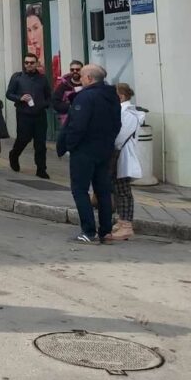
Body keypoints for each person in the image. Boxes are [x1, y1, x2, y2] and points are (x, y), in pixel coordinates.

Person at [57, 64, 121, 245]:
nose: (80, 79)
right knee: (103, 191)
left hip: (84, 150)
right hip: (104, 149)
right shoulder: (111, 96)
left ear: (90, 78)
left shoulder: (85, 97)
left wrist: (70, 145)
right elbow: (117, 124)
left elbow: (77, 125)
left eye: (82, 76)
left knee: (80, 190)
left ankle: (88, 231)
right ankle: (106, 232)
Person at [5, 53, 53, 178]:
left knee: (40, 143)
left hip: (39, 115)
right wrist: (20, 98)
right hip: (24, 114)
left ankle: (41, 169)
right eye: (26, 63)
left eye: (32, 63)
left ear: (36, 64)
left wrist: (44, 104)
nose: (29, 65)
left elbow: (49, 96)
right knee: (23, 139)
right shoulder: (17, 77)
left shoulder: (42, 78)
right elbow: (9, 94)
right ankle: (14, 155)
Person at [111, 83, 144, 241]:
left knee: (123, 191)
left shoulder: (128, 114)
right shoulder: (123, 111)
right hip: (120, 155)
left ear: (121, 96)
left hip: (123, 155)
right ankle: (121, 220)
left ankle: (126, 226)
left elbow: (118, 137)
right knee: (118, 189)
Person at [52, 61, 84, 126]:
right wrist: (70, 107)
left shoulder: (87, 84)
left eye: (77, 69)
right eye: (72, 70)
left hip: (84, 118)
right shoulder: (63, 85)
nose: (75, 71)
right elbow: (55, 102)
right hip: (68, 120)